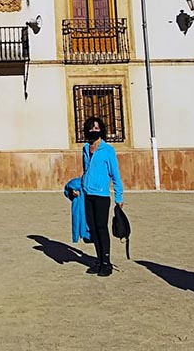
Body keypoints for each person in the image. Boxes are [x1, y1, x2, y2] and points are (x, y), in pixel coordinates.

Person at [70, 116, 124, 276]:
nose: (94, 130)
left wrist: (119, 197)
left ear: (101, 130)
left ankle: (106, 262)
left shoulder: (108, 150)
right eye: (91, 128)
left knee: (101, 228)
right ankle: (99, 260)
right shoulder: (86, 149)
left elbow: (115, 175)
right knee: (92, 228)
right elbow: (85, 171)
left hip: (101, 195)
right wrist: (78, 188)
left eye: (96, 127)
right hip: (87, 194)